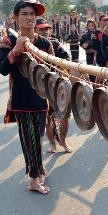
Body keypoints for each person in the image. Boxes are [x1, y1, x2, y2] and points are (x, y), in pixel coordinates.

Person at [0, 0, 53, 194]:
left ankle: (37, 167)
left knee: (37, 137)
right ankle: (32, 178)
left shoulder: (45, 42)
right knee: (29, 140)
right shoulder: (9, 40)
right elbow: (3, 69)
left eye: (32, 14)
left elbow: (54, 69)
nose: (29, 17)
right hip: (21, 99)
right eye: (25, 14)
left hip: (42, 97)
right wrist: (16, 50)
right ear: (16, 18)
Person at [34, 18, 73, 154]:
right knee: (47, 117)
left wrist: (63, 67)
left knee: (64, 115)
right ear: (35, 30)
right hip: (40, 88)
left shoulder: (55, 43)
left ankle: (62, 140)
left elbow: (66, 58)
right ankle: (52, 143)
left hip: (57, 85)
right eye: (41, 29)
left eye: (47, 29)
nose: (45, 31)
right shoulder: (31, 45)